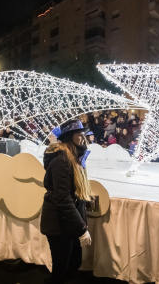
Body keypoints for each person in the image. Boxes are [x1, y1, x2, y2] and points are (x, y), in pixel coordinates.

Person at [40, 119, 93, 283]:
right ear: (70, 137)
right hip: (59, 224)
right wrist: (81, 229)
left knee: (73, 264)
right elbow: (63, 198)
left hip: (68, 224)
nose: (83, 138)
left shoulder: (74, 157)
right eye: (79, 135)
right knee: (61, 271)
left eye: (83, 134)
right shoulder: (62, 160)